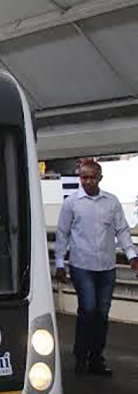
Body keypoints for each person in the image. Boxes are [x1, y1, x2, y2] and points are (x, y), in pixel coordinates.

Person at [55, 158, 138, 376]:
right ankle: (81, 355)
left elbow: (122, 230)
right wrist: (60, 263)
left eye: (92, 177)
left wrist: (131, 255)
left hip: (107, 267)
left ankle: (96, 358)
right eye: (84, 177)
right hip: (82, 266)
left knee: (102, 314)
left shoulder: (111, 202)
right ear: (79, 178)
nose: (88, 181)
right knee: (88, 310)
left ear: (100, 178)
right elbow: (62, 233)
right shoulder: (71, 203)